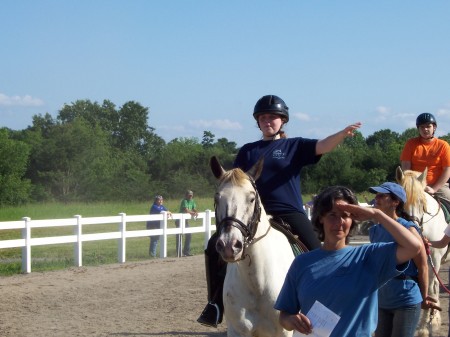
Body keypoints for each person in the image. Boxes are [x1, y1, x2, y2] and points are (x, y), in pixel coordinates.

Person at [197, 94, 362, 327]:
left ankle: (326, 306)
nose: (267, 121)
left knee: (317, 251)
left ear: (282, 120)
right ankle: (214, 303)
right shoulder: (247, 151)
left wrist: (342, 134)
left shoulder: (293, 146)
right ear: (258, 122)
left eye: (273, 117)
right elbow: (237, 184)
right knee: (214, 246)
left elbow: (322, 145)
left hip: (288, 211)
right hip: (252, 216)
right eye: (263, 117)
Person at [274, 185, 422, 336]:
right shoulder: (302, 263)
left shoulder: (369, 256)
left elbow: (414, 246)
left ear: (353, 220)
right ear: (321, 218)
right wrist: (291, 320)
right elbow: (284, 315)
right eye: (332, 215)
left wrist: (376, 215)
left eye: (345, 216)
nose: (339, 222)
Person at [368, 182, 439, 337]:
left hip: (405, 298)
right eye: (376, 195)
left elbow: (423, 266)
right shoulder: (374, 231)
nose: (376, 198)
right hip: (382, 299)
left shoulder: (409, 229)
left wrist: (424, 295)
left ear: (396, 202)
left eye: (382, 195)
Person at [400, 112, 450, 203]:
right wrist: (413, 185)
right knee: (393, 198)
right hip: (414, 184)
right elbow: (406, 168)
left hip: (438, 186)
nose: (425, 129)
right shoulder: (411, 144)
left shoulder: (443, 145)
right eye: (422, 127)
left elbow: (447, 170)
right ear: (418, 129)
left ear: (434, 127)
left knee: (448, 198)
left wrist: (434, 189)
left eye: (428, 126)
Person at [176, 190, 198, 257]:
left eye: (191, 195)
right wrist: (192, 213)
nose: (190, 196)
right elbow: (185, 209)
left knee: (189, 234)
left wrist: (196, 212)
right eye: (189, 195)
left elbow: (194, 208)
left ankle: (186, 251)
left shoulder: (192, 201)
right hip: (179, 220)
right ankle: (179, 252)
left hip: (185, 220)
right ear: (186, 195)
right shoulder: (184, 201)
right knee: (179, 235)